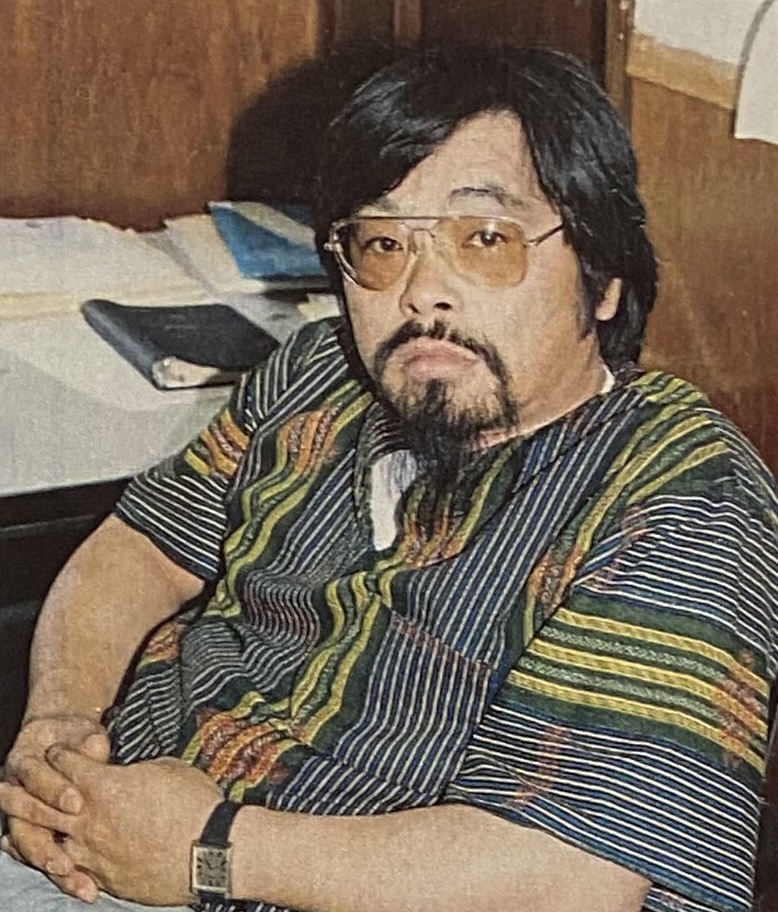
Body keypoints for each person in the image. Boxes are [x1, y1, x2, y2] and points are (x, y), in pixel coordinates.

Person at [0, 44, 776, 912]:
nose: (420, 294)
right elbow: (141, 548)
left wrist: (208, 852)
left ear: (604, 280)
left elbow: (576, 878)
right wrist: (58, 731)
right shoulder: (319, 374)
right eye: (381, 243)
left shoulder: (680, 499)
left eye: (484, 240)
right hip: (111, 829)